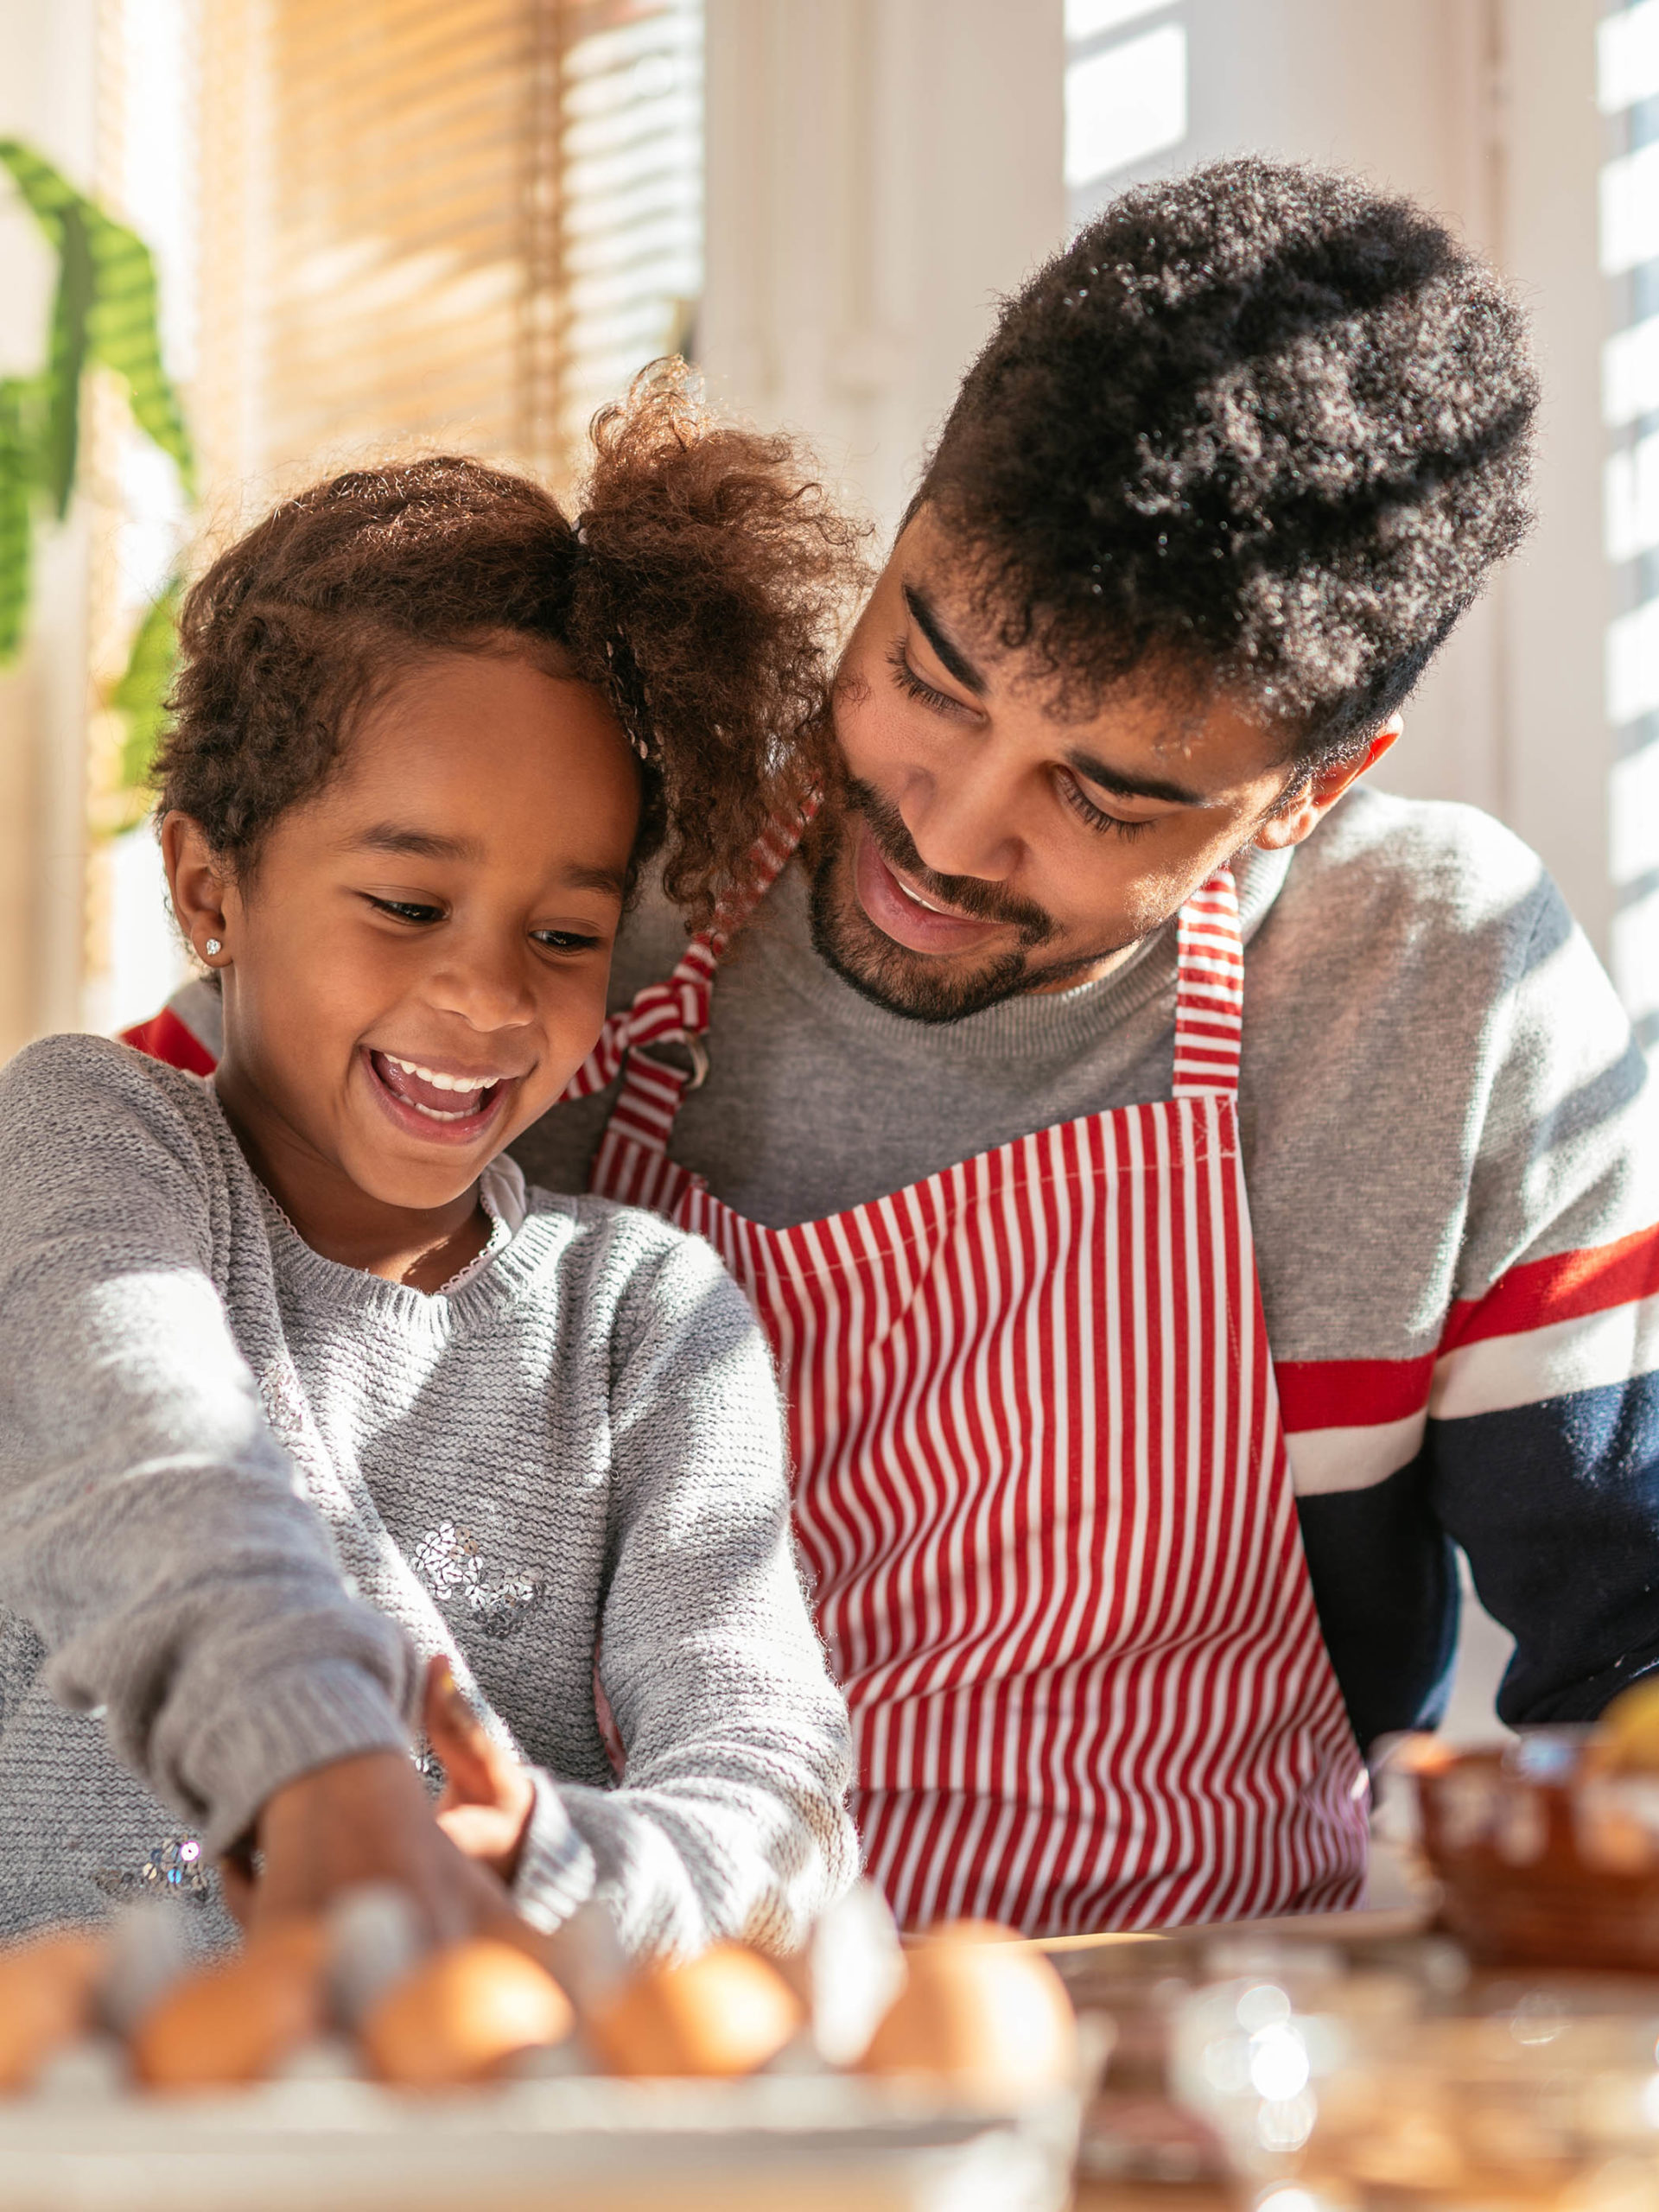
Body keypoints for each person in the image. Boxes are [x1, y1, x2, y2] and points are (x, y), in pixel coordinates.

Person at [134, 159, 1659, 1940]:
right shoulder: (589, 848)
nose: (945, 831)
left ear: (1316, 786)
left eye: (1096, 793)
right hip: (593, 2049)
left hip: (1183, 2062)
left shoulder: (1431, 983)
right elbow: (115, 1258)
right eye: (928, 675)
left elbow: (1633, 1637)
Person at [0, 372, 860, 1955]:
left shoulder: (644, 1322)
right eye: (405, 905)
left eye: (565, 934)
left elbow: (774, 1778)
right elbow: (148, 1460)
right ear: (209, 887)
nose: (483, 996)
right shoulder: (87, 1142)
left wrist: (542, 1855)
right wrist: (318, 1767)